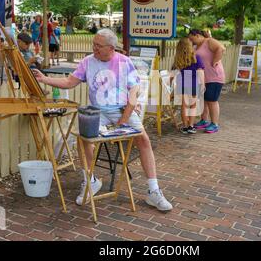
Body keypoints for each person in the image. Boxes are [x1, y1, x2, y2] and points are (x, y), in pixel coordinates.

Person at [32, 29, 173, 211]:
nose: (94, 48)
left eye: (99, 46)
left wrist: (126, 115)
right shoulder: (88, 62)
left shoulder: (124, 61)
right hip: (97, 111)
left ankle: (154, 191)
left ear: (111, 48)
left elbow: (134, 90)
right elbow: (69, 82)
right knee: (85, 138)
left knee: (143, 139)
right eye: (94, 44)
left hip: (122, 109)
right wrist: (44, 79)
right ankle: (91, 181)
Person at [188, 29, 225, 134]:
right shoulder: (195, 47)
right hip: (203, 78)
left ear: (198, 35)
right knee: (204, 100)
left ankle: (214, 124)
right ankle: (204, 120)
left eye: (192, 38)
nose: (191, 41)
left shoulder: (209, 41)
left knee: (212, 100)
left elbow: (221, 48)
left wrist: (215, 61)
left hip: (214, 76)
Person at [173, 38, 205, 134]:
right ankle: (191, 126)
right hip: (193, 82)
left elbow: (176, 72)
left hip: (182, 81)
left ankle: (185, 126)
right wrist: (202, 84)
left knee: (184, 106)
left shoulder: (178, 58)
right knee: (193, 105)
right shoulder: (196, 57)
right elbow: (200, 72)